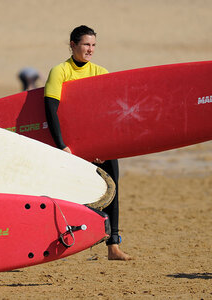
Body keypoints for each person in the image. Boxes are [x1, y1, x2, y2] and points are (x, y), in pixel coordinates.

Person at [44, 25, 132, 261]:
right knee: (74, 194)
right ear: (72, 45)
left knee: (113, 191)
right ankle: (72, 240)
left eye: (93, 45)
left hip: (100, 145)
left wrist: (105, 146)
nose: (90, 49)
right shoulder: (60, 71)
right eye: (85, 44)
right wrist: (62, 146)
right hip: (72, 148)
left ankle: (113, 246)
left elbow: (109, 113)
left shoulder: (100, 72)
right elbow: (51, 110)